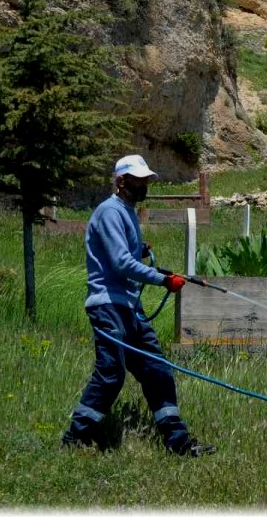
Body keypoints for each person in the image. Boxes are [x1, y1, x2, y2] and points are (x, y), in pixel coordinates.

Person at [61, 154, 215, 457]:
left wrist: (138, 249)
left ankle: (177, 442)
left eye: (146, 180)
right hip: (108, 305)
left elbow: (122, 252)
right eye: (138, 180)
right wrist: (164, 279)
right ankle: (74, 440)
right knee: (111, 373)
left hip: (129, 306)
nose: (144, 185)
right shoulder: (109, 212)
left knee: (158, 370)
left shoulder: (127, 212)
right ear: (121, 181)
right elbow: (120, 263)